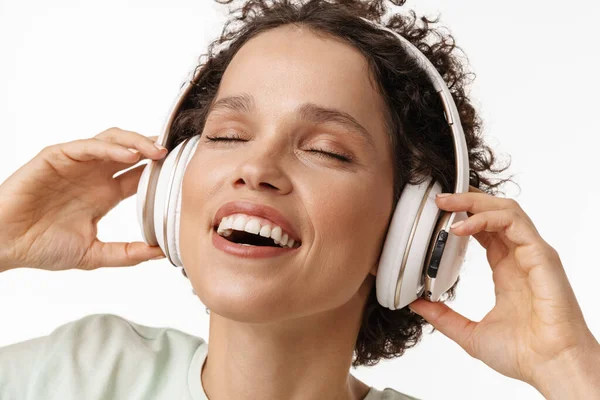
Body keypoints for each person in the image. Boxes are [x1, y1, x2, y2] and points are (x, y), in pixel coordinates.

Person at [0, 0, 598, 399]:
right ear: (174, 183)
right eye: (229, 136)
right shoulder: (79, 373)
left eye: (327, 151)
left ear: (410, 232)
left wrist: (569, 367)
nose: (256, 167)